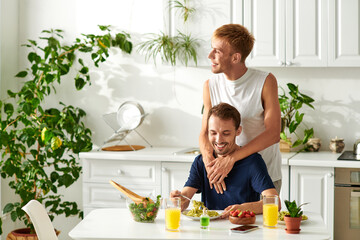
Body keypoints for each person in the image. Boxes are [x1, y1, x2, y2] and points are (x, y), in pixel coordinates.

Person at [199, 24, 282, 195]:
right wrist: (209, 163)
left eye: (217, 51)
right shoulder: (210, 86)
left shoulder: (265, 81)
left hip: (263, 176)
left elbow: (273, 133)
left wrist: (231, 159)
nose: (210, 56)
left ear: (235, 58)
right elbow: (204, 133)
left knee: (261, 222)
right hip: (226, 176)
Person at [171, 103, 279, 217]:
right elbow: (185, 199)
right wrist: (179, 200)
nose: (219, 140)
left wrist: (242, 208)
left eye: (226, 133)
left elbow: (275, 202)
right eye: (213, 133)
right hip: (209, 230)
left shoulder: (252, 162)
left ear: (238, 131)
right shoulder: (201, 162)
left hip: (242, 229)